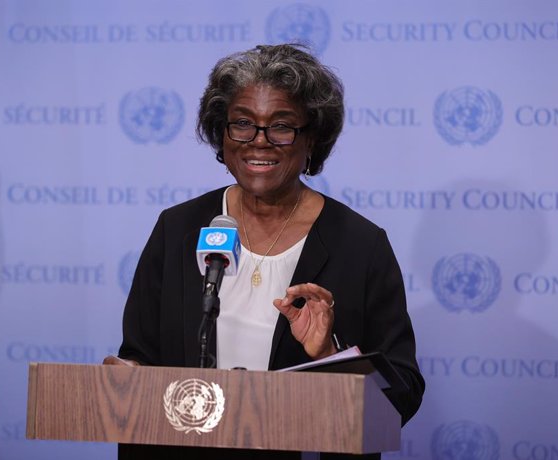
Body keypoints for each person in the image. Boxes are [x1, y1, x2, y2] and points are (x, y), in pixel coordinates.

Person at [105, 44, 424, 460]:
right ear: (222, 134)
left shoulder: (360, 245)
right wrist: (128, 382)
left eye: (282, 126)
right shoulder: (179, 228)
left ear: (312, 138)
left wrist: (329, 355)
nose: (260, 142)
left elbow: (403, 394)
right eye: (242, 123)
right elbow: (140, 355)